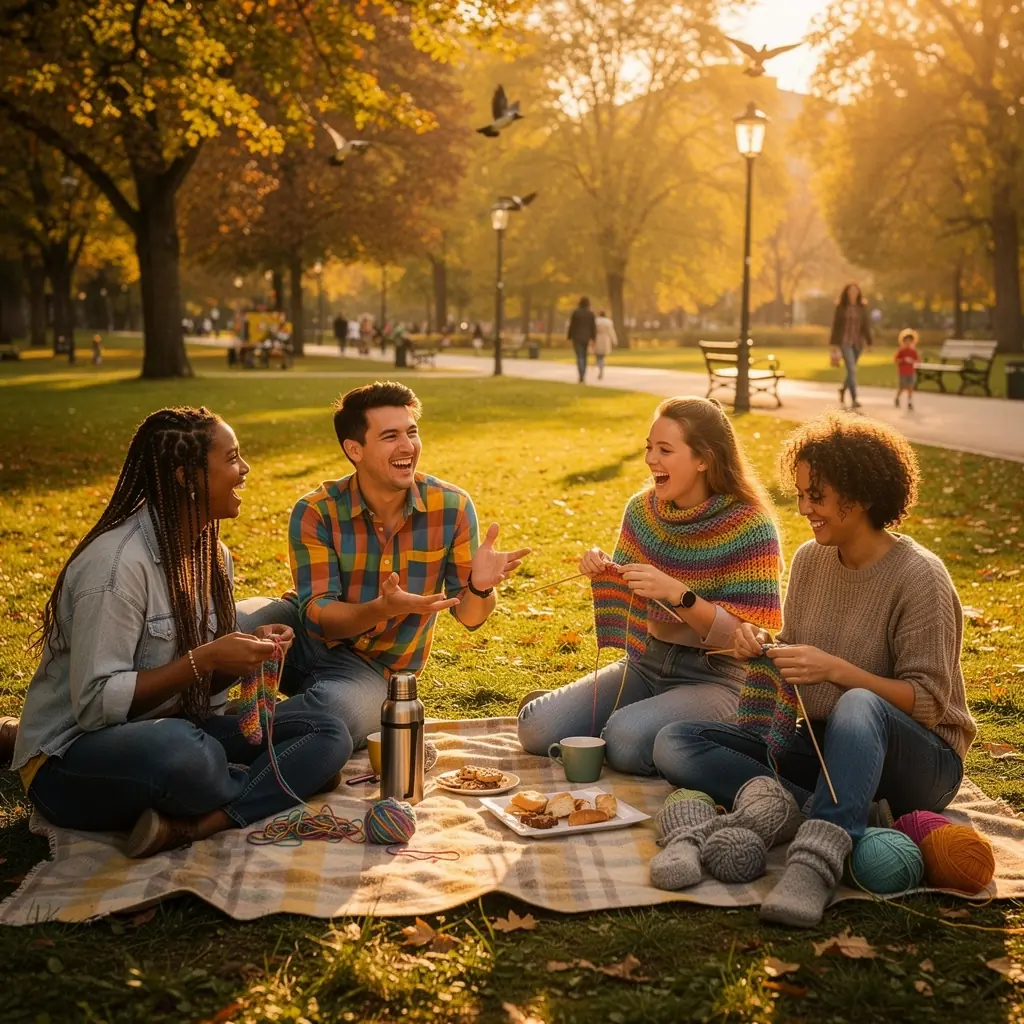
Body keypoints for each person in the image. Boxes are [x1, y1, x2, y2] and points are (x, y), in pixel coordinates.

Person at [653, 414, 975, 927]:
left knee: (859, 702)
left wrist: (839, 672)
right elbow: (799, 654)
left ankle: (814, 863)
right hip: (827, 746)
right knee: (676, 742)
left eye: (817, 496)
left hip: (921, 762)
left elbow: (930, 702)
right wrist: (759, 645)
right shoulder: (809, 561)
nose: (804, 509)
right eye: (801, 494)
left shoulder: (920, 577)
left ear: (862, 496)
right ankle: (838, 811)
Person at [8, 407, 349, 858]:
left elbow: (205, 692)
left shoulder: (212, 553)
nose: (244, 470)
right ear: (188, 477)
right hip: (72, 761)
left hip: (178, 728)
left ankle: (201, 824)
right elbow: (95, 705)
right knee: (183, 752)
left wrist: (247, 653)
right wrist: (204, 658)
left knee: (327, 732)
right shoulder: (115, 568)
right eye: (232, 458)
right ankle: (277, 780)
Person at [237, 381, 531, 756]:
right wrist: (383, 608)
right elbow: (316, 617)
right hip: (298, 636)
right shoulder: (317, 510)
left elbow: (471, 618)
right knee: (225, 625)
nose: (407, 446)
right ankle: (180, 716)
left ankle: (221, 735)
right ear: (354, 449)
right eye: (390, 436)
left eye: (411, 432)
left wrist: (480, 587)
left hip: (374, 671)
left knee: (338, 713)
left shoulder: (452, 508)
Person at [518, 397, 783, 775]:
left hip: (719, 677)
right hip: (646, 661)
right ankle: (593, 715)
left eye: (665, 450)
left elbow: (751, 634)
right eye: (648, 447)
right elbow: (627, 602)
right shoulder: (641, 511)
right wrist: (603, 570)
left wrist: (677, 594)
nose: (650, 459)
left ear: (704, 458)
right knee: (536, 729)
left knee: (625, 741)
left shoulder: (750, 526)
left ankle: (679, 729)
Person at [829, 283, 872, 409]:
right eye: (851, 290)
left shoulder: (862, 307)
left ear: (859, 293)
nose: (853, 292)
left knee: (851, 371)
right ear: (846, 292)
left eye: (855, 290)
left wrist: (870, 343)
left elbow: (866, 326)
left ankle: (842, 390)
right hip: (845, 342)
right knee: (852, 370)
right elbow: (835, 326)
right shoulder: (841, 307)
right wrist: (833, 344)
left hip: (858, 343)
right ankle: (854, 399)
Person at [567, 297, 597, 383]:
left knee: (579, 356)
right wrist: (593, 338)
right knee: (584, 356)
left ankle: (581, 374)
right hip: (586, 337)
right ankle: (583, 373)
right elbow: (593, 327)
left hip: (577, 337)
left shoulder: (576, 313)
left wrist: (569, 336)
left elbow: (572, 325)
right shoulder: (590, 314)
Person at [894, 328, 921, 410]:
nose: (908, 342)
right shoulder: (901, 350)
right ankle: (897, 397)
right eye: (907, 340)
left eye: (910, 340)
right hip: (903, 372)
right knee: (902, 387)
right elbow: (896, 360)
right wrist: (903, 360)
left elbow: (918, 360)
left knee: (910, 387)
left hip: (911, 371)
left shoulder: (913, 351)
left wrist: (912, 361)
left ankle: (909, 402)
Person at [593, 310, 618, 380]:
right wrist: (614, 341)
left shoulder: (596, 322)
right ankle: (602, 367)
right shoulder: (608, 322)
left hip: (597, 339)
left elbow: (593, 331)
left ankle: (600, 367)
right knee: (602, 356)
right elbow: (611, 332)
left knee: (598, 356)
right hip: (605, 339)